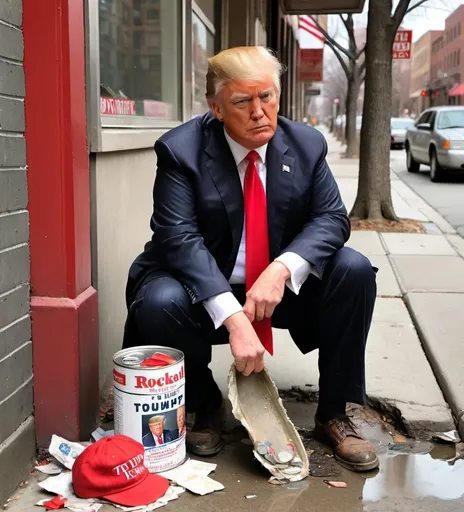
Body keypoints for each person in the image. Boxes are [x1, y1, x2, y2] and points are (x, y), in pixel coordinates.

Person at [123, 46, 379, 471]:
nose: (260, 112)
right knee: (157, 300)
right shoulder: (180, 150)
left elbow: (332, 219)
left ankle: (334, 413)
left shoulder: (306, 144)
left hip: (278, 291)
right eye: (243, 101)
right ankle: (204, 405)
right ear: (217, 108)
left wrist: (281, 268)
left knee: (353, 271)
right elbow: (178, 238)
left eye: (268, 97)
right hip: (205, 287)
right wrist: (233, 317)